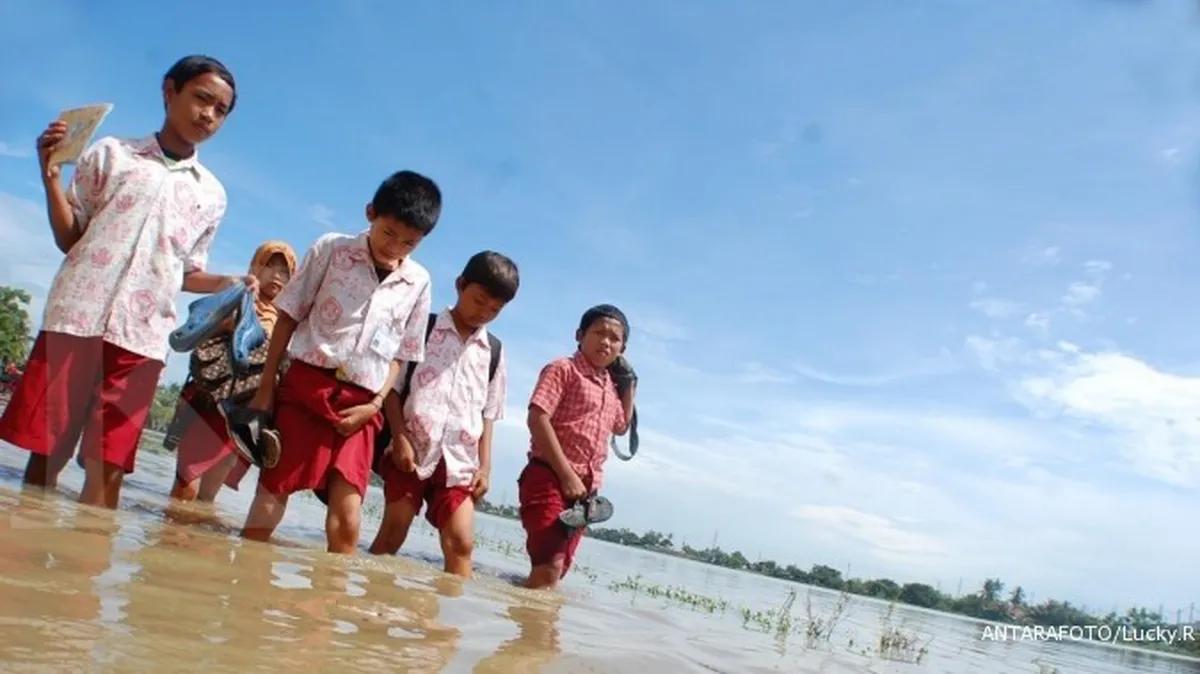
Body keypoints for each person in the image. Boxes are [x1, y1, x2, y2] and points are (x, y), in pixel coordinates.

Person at [0, 55, 249, 510]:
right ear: (169, 91)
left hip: (142, 338)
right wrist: (50, 176)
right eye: (202, 99)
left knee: (108, 463)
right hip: (76, 318)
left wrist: (228, 283)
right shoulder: (112, 154)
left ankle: (83, 576)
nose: (209, 115)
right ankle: (22, 566)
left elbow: (186, 271)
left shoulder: (211, 194)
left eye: (221, 110)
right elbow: (70, 237)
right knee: (48, 451)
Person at [239, 170, 441, 554]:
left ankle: (328, 609)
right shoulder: (331, 249)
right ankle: (244, 590)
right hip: (306, 388)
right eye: (388, 233)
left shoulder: (419, 282)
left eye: (409, 242)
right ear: (370, 213)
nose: (395, 246)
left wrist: (375, 405)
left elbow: (402, 356)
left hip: (361, 407)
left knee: (347, 519)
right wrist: (266, 391)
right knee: (270, 499)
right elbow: (288, 317)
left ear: (422, 240)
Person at [368, 251, 519, 577]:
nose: (485, 313)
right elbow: (393, 388)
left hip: (460, 461)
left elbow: (489, 413)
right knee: (394, 531)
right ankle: (367, 612)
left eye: (495, 310)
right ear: (460, 285)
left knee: (461, 544)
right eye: (479, 301)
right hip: (413, 450)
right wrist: (399, 437)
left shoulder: (494, 350)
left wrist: (485, 467)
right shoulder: (425, 327)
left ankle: (446, 625)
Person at [165, 240, 298, 504]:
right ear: (255, 267)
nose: (277, 276)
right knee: (185, 485)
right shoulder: (235, 296)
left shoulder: (287, 321)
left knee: (207, 497)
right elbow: (198, 333)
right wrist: (228, 323)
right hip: (210, 404)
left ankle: (188, 541)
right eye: (270, 266)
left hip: (243, 415)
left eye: (285, 272)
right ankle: (170, 538)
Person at [519, 304, 637, 590]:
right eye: (598, 333)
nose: (605, 342)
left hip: (585, 494)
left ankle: (534, 626)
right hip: (548, 476)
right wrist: (566, 474)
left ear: (622, 349)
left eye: (614, 338)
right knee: (550, 563)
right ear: (579, 335)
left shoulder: (611, 387)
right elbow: (537, 417)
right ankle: (534, 631)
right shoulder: (563, 369)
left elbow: (621, 426)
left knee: (558, 570)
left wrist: (629, 385)